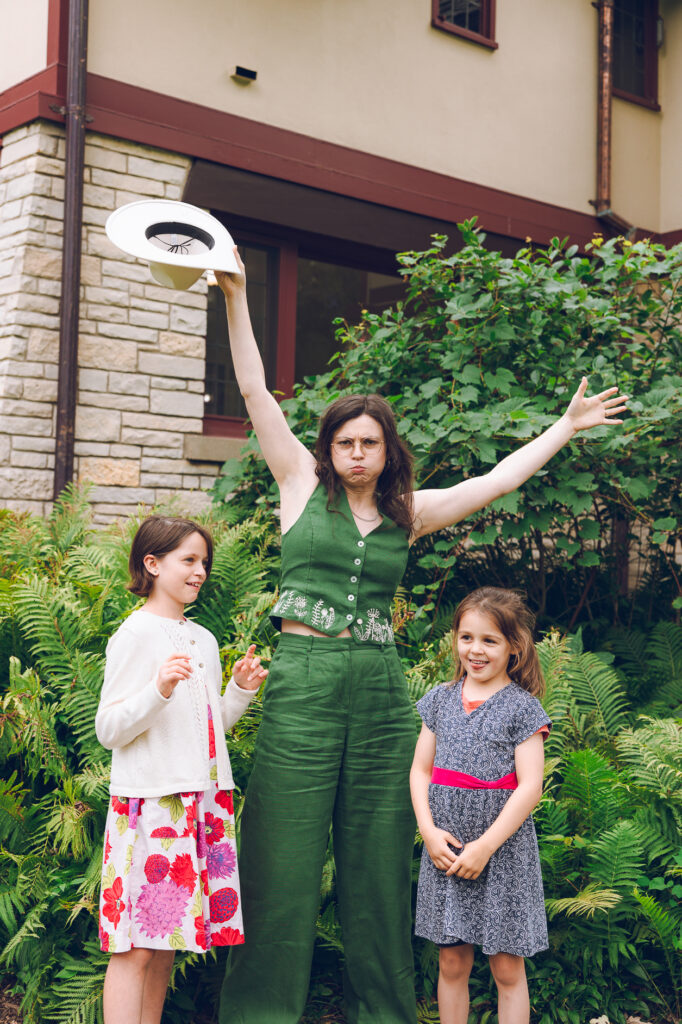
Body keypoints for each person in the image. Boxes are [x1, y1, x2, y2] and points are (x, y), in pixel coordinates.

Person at [215, 251, 628, 1024]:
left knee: (376, 859)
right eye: (346, 442)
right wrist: (239, 296)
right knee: (281, 855)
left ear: (386, 449)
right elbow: (252, 390)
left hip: (376, 688)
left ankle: (383, 1012)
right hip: (301, 680)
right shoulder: (297, 484)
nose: (358, 453)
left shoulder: (411, 512)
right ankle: (258, 1013)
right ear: (330, 448)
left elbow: (497, 480)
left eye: (370, 443)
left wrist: (563, 430)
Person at [95, 515, 268, 1024]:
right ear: (152, 564)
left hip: (200, 801)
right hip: (151, 804)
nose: (200, 572)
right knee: (135, 947)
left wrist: (238, 692)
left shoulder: (205, 640)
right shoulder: (135, 634)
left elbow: (205, 733)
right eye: (188, 560)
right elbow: (109, 728)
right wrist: (158, 689)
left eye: (204, 563)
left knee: (166, 939)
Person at [410, 588, 552, 1024]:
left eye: (489, 640)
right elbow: (420, 772)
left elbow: (530, 787)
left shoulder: (522, 709)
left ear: (514, 646)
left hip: (501, 852)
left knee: (507, 968)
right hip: (447, 851)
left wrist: (486, 846)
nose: (475, 649)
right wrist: (429, 833)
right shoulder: (439, 699)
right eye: (466, 637)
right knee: (451, 962)